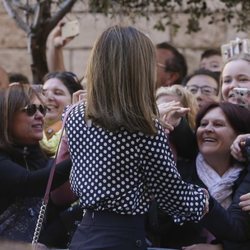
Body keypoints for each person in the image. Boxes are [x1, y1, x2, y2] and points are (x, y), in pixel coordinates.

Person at [63, 25, 209, 250]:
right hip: (122, 237)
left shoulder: (74, 114)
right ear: (139, 67)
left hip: (84, 232)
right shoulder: (142, 126)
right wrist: (201, 199)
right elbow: (169, 191)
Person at [147, 101, 250, 250]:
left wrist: (221, 248)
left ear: (239, 135)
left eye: (218, 124)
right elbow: (155, 229)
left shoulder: (246, 177)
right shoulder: (177, 173)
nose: (207, 129)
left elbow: (241, 232)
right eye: (203, 124)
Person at [0, 83, 71, 243]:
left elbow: (58, 211)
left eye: (42, 109)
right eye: (31, 110)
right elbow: (29, 183)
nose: (40, 115)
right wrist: (83, 156)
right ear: (7, 116)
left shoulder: (45, 160)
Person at [40, 71, 83, 156]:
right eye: (43, 93)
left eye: (58, 93)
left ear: (75, 99)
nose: (48, 98)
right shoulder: (26, 135)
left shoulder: (80, 135)